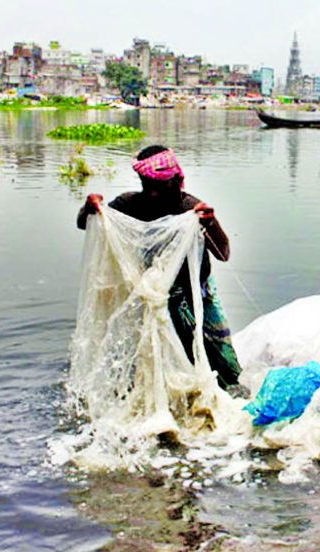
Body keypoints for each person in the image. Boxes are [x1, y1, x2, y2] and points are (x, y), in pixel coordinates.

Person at [77, 145, 244, 392]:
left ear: (177, 181)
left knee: (223, 360)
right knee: (157, 356)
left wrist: (211, 224)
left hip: (198, 291)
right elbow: (85, 224)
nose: (153, 194)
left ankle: (230, 393)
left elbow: (224, 253)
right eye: (147, 186)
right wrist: (89, 208)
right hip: (155, 293)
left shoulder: (190, 208)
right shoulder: (131, 204)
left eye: (159, 187)